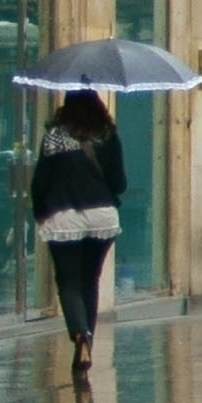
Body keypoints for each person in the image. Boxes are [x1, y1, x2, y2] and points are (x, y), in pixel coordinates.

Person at [27, 90, 127, 344]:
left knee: (69, 281)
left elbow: (40, 183)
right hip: (103, 215)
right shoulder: (108, 136)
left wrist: (39, 212)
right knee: (90, 280)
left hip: (64, 216)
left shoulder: (54, 137)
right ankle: (88, 344)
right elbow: (119, 183)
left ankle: (80, 334)